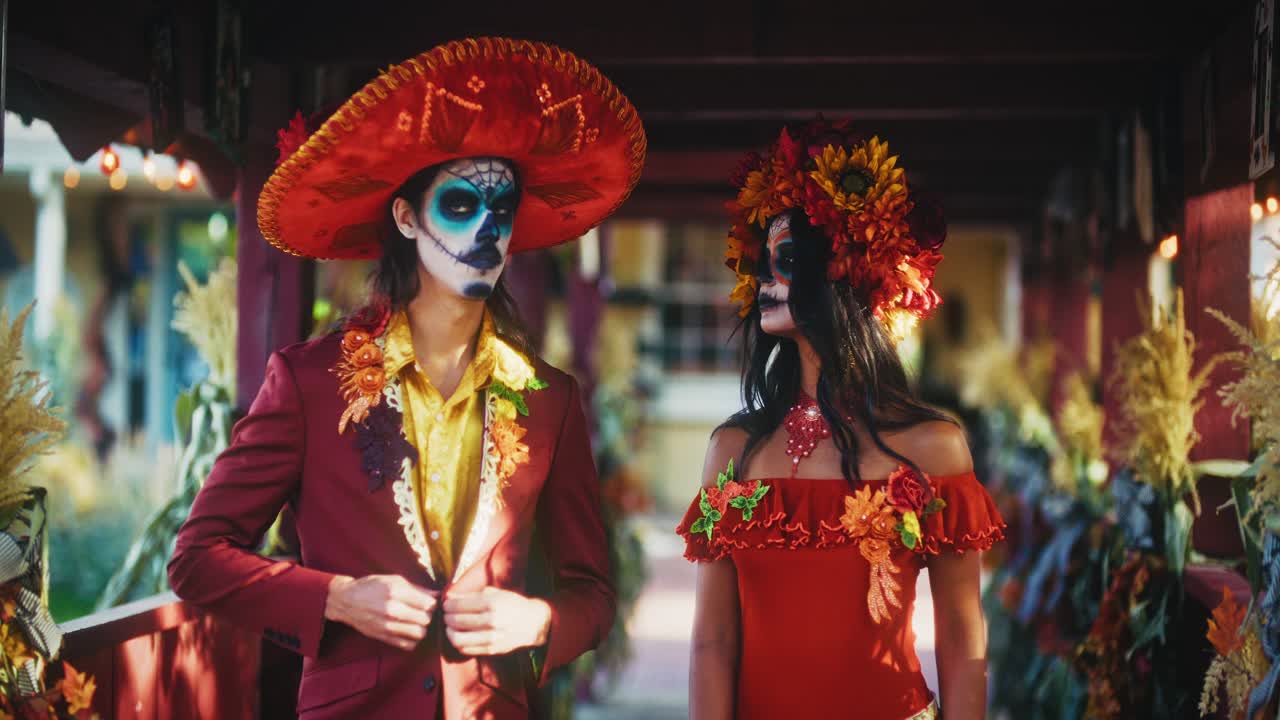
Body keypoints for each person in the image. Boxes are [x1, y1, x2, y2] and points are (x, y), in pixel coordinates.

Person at [169, 37, 645, 719]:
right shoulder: (307, 382)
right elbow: (197, 558)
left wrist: (537, 623)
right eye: (460, 206)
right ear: (405, 216)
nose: (489, 230)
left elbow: (594, 596)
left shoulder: (551, 401)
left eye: (503, 210)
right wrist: (333, 598)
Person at [680, 118, 1005, 720]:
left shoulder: (934, 448)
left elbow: (964, 643)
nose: (761, 279)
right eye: (760, 262)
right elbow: (712, 642)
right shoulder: (733, 451)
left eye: (783, 259)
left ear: (841, 270)